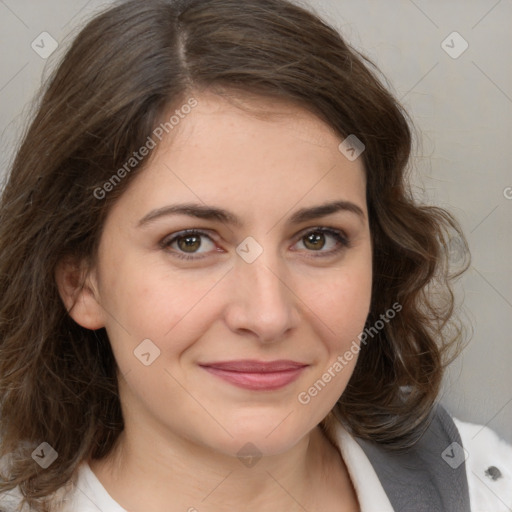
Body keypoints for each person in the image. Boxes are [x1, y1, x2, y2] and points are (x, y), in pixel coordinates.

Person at [0, 0, 510, 511]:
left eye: (318, 239)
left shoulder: (484, 486)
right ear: (80, 283)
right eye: (191, 242)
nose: (268, 316)